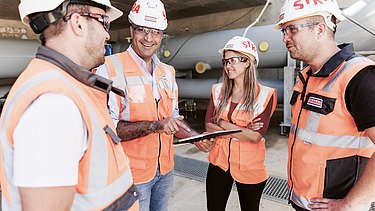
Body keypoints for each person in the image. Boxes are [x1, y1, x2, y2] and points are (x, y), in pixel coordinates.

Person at [0, 0, 140, 210]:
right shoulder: (54, 105)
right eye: (104, 23)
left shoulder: (67, 87)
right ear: (78, 23)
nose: (107, 35)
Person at [95, 0, 215, 210]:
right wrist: (154, 126)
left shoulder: (167, 72)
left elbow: (174, 118)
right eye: (142, 30)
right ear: (131, 29)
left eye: (155, 32)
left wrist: (196, 138)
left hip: (165, 170)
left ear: (162, 35)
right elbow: (109, 129)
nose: (148, 38)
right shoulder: (110, 68)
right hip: (131, 174)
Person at [275, 0, 375, 210]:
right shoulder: (305, 76)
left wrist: (352, 204)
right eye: (284, 31)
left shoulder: (360, 76)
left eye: (292, 29)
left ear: (320, 29)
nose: (285, 38)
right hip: (303, 201)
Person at [204, 36, 277, 211]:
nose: (228, 66)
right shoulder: (218, 90)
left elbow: (254, 136)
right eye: (225, 61)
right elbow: (208, 125)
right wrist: (242, 130)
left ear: (247, 62)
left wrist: (222, 123)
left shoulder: (265, 95)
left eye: (233, 61)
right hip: (219, 162)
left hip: (249, 165)